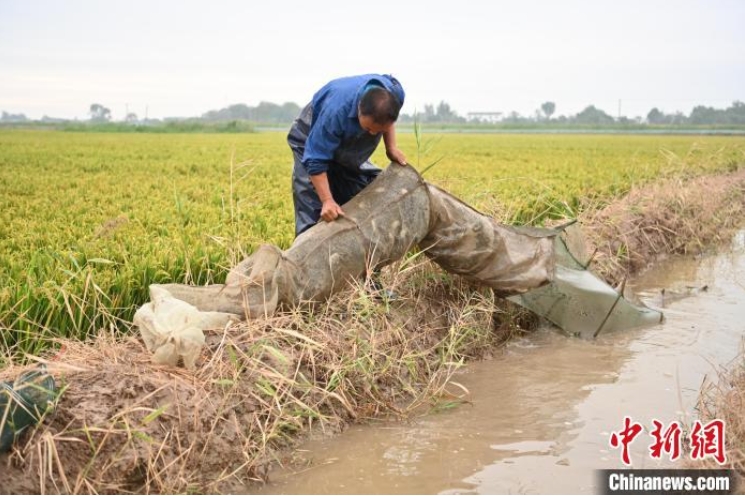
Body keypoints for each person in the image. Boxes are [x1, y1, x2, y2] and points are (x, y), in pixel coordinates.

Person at [288, 73, 407, 237]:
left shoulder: (394, 95)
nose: (372, 134)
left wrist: (391, 147)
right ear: (359, 109)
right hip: (311, 136)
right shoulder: (335, 112)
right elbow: (315, 159)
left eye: (378, 131)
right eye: (368, 129)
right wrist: (327, 200)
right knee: (316, 210)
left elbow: (387, 119)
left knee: (360, 194)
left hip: (347, 146)